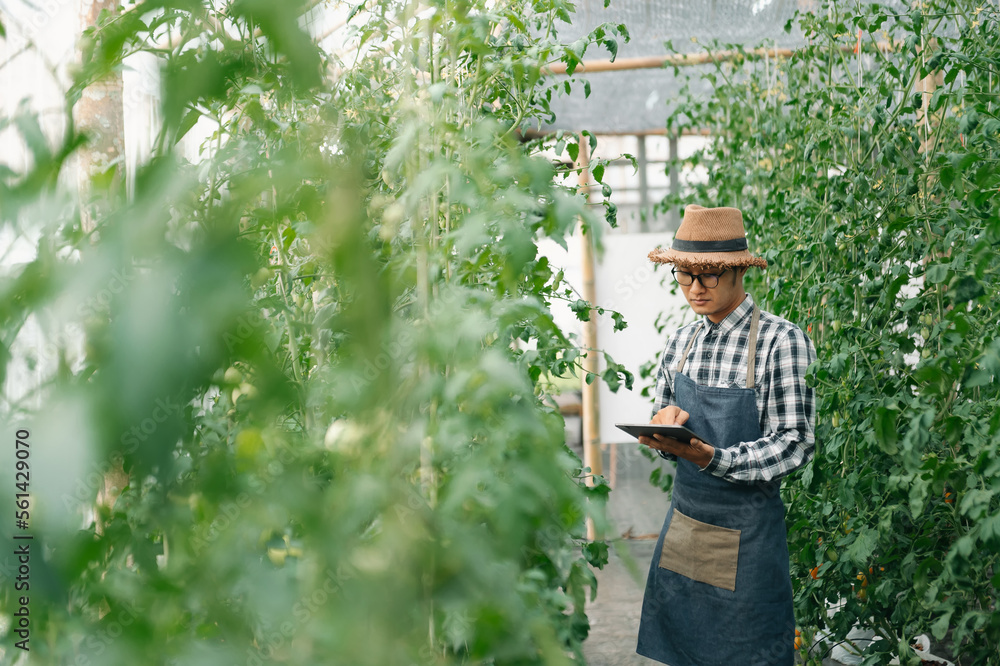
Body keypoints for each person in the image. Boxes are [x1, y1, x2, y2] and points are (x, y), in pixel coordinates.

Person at [635, 204, 816, 666]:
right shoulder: (680, 343)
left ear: (738, 270)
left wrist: (712, 458)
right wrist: (665, 430)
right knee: (685, 651)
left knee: (749, 653)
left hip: (749, 535)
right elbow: (670, 431)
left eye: (710, 275)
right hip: (686, 530)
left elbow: (794, 442)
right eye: (684, 275)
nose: (695, 288)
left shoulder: (781, 341)